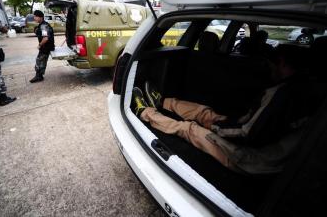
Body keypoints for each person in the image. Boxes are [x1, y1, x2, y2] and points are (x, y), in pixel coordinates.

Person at [132, 45, 317, 174]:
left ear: (282, 63)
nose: (269, 70)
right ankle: (162, 102)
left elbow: (248, 135)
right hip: (254, 137)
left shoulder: (283, 95)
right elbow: (257, 125)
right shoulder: (302, 87)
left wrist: (215, 128)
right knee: (204, 112)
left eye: (271, 65)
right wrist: (221, 122)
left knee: (189, 128)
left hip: (252, 159)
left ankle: (145, 112)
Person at [29, 10, 55, 83]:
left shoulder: (44, 26)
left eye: (36, 16)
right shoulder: (41, 25)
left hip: (46, 46)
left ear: (41, 17)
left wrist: (39, 45)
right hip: (46, 46)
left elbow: (45, 38)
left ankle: (39, 76)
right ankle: (39, 75)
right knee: (41, 60)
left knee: (39, 60)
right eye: (34, 16)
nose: (34, 18)